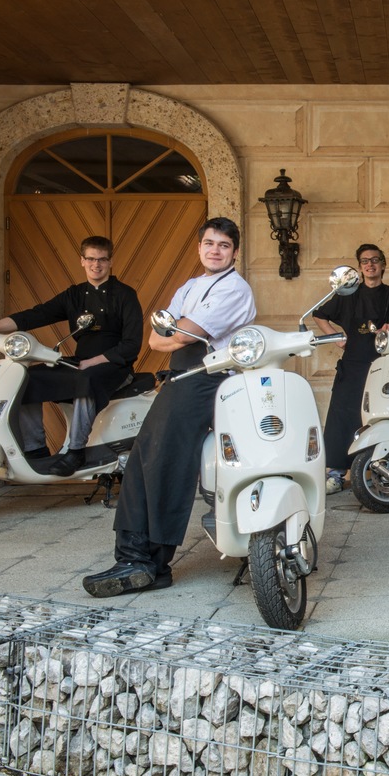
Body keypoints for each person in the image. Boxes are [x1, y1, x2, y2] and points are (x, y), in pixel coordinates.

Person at [82, 217, 256, 597]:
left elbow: (177, 335)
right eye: (209, 243)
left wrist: (172, 335)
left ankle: (151, 563)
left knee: (166, 462)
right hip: (180, 376)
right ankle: (132, 555)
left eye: (223, 245)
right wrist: (172, 336)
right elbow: (157, 340)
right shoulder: (191, 286)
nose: (215, 250)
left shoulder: (235, 290)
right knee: (144, 457)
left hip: (207, 379)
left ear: (235, 252)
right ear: (199, 248)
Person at [0, 236, 143, 477]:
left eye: (102, 260)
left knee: (87, 380)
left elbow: (131, 345)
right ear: (82, 261)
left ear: (111, 261)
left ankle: (76, 451)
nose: (97, 265)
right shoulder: (74, 295)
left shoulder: (125, 294)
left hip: (114, 365)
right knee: (27, 379)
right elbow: (34, 315)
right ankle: (35, 449)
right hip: (80, 362)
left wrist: (93, 362)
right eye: (91, 259)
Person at [313, 244, 389, 493]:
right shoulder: (347, 293)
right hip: (352, 365)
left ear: (383, 264)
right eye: (365, 261)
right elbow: (319, 315)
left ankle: (372, 471)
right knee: (341, 418)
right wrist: (336, 337)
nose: (370, 264)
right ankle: (334, 474)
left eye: (375, 260)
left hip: (381, 366)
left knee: (377, 420)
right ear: (359, 267)